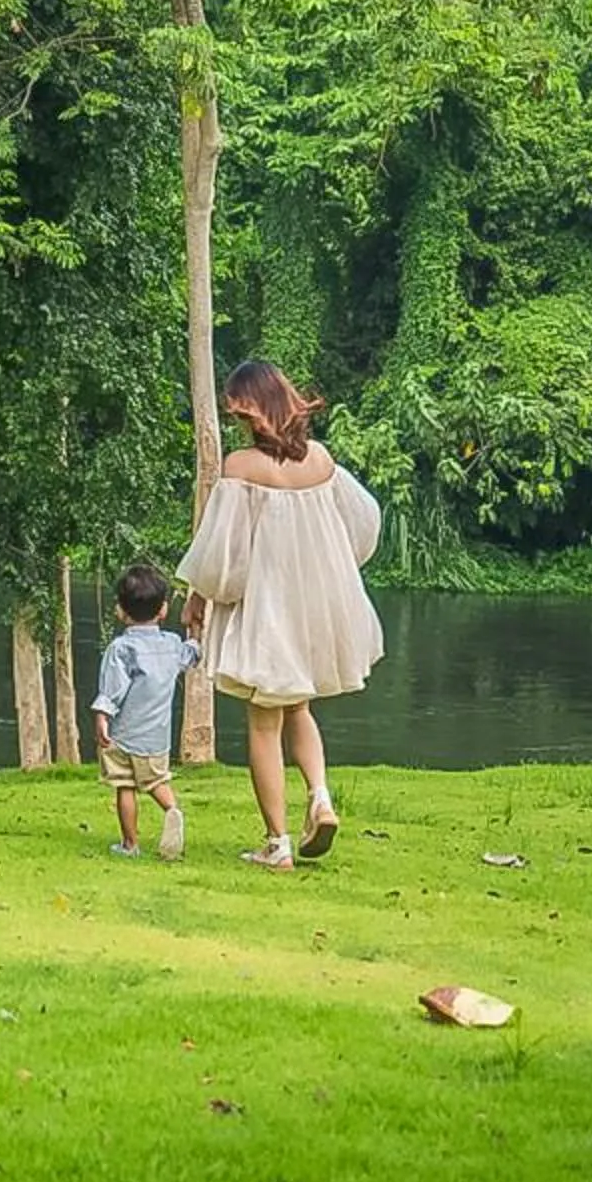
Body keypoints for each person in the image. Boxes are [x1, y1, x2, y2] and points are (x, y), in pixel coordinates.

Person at [175, 358, 383, 872]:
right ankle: (320, 797)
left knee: (264, 724)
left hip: (268, 611)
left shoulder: (242, 468)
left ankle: (277, 843)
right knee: (300, 709)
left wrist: (199, 596)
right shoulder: (320, 460)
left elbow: (222, 556)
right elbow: (362, 526)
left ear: (253, 410)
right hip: (315, 606)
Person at [92, 562, 200, 860]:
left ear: (120, 610)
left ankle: (130, 844)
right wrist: (195, 628)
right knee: (156, 781)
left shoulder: (121, 649)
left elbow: (111, 690)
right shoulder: (172, 644)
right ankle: (172, 809)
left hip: (123, 735)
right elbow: (193, 654)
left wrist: (102, 716)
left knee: (124, 786)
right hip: (157, 739)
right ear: (163, 610)